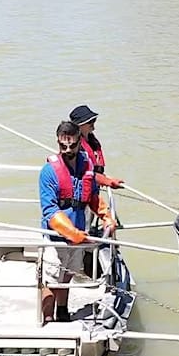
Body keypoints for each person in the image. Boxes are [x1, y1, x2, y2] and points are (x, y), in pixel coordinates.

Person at [38, 121, 116, 323]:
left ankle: (62, 312)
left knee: (67, 276)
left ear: (79, 141)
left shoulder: (86, 166)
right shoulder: (48, 172)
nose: (68, 150)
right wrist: (71, 232)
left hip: (80, 236)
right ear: (58, 142)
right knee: (50, 279)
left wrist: (106, 215)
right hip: (57, 238)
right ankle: (47, 318)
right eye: (63, 146)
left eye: (72, 145)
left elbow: (92, 196)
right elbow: (50, 210)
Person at [69, 104, 124, 189]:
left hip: (93, 188)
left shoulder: (91, 141)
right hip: (82, 189)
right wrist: (108, 181)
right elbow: (85, 173)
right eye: (89, 121)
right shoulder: (75, 147)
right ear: (79, 125)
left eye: (94, 120)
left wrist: (105, 179)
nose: (93, 123)